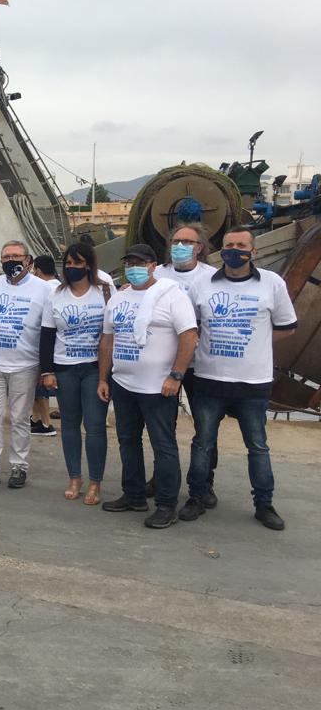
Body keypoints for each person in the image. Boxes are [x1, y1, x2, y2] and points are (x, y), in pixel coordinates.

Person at [179, 227, 297, 531]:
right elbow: (190, 327)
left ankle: (264, 504)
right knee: (203, 443)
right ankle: (197, 496)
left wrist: (256, 342)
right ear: (222, 250)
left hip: (252, 383)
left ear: (253, 251)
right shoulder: (203, 284)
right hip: (209, 379)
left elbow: (287, 327)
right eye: (229, 244)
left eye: (241, 245)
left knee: (257, 445)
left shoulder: (272, 283)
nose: (234, 250)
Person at [98, 244, 198, 529]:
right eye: (129, 263)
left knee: (163, 446)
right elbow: (108, 340)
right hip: (123, 384)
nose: (134, 268)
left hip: (158, 388)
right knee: (128, 441)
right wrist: (104, 378)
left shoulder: (172, 296)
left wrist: (176, 376)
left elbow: (189, 336)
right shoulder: (118, 298)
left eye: (140, 263)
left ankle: (167, 505)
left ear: (153, 266)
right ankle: (134, 494)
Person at [0, 241, 53, 489]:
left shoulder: (43, 289)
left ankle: (19, 467)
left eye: (16, 256)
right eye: (6, 257)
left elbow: (48, 331)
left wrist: (45, 367)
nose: (11, 261)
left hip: (25, 365)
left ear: (28, 260)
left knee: (19, 418)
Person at [39, 242, 114, 504]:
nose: (72, 267)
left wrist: (106, 374)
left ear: (89, 265)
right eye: (69, 263)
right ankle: (74, 477)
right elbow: (47, 335)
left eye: (78, 263)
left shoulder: (104, 290)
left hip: (95, 368)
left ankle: (95, 482)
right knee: (69, 425)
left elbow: (113, 331)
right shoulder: (55, 295)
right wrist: (47, 371)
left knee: (94, 426)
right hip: (65, 368)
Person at [154, 219, 219, 504]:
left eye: (187, 242)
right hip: (163, 364)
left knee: (205, 427)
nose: (180, 246)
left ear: (199, 248)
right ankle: (162, 477)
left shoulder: (212, 277)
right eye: (176, 241)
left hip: (199, 365)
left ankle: (205, 482)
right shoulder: (157, 274)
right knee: (161, 425)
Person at [29, 254, 59, 437]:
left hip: (43, 343)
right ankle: (36, 418)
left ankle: (46, 423)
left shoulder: (45, 289)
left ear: (38, 270)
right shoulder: (60, 286)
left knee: (40, 387)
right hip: (54, 344)